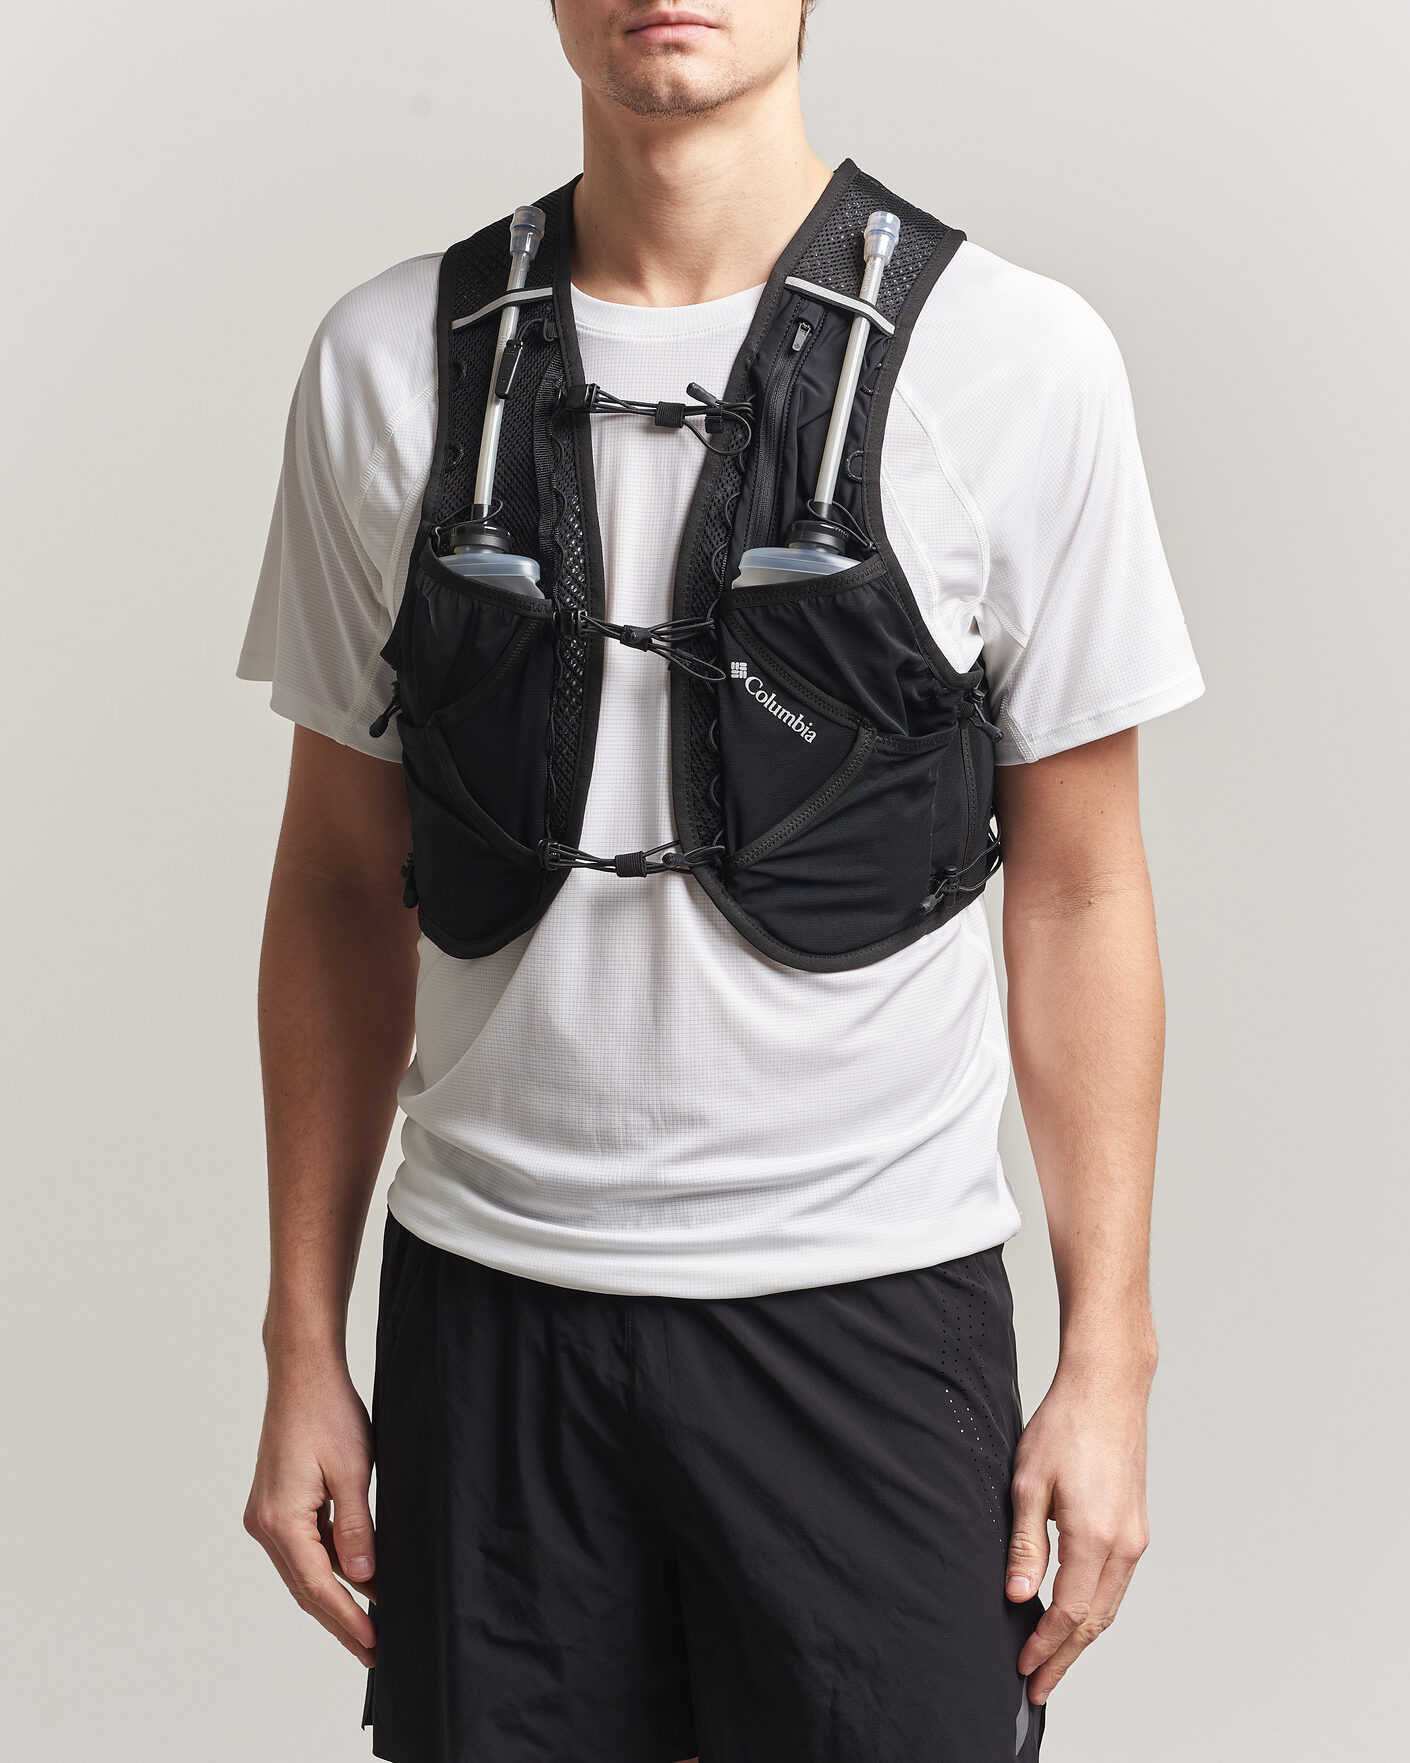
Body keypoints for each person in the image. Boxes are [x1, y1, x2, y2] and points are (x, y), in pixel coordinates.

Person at [238, 2, 1203, 1758]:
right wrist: (302, 1336)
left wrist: (1108, 1357)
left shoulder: (1018, 358)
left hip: (867, 1311)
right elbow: (334, 879)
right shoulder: (385, 358)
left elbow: (1079, 890)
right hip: (491, 1310)